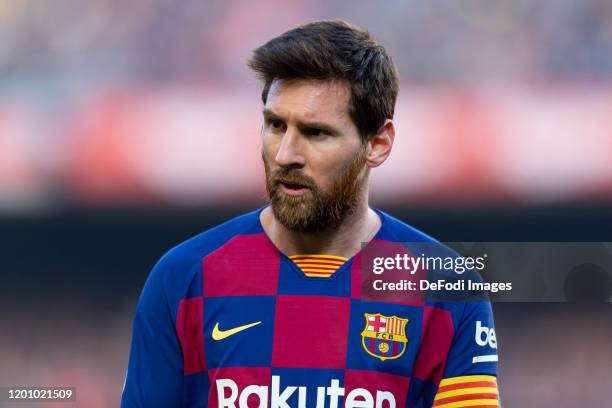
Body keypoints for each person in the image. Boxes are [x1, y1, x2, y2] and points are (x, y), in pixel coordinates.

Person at [121, 20, 499, 408]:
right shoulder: (183, 278)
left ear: (378, 143)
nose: (285, 155)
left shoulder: (446, 288)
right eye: (275, 125)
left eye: (316, 132)